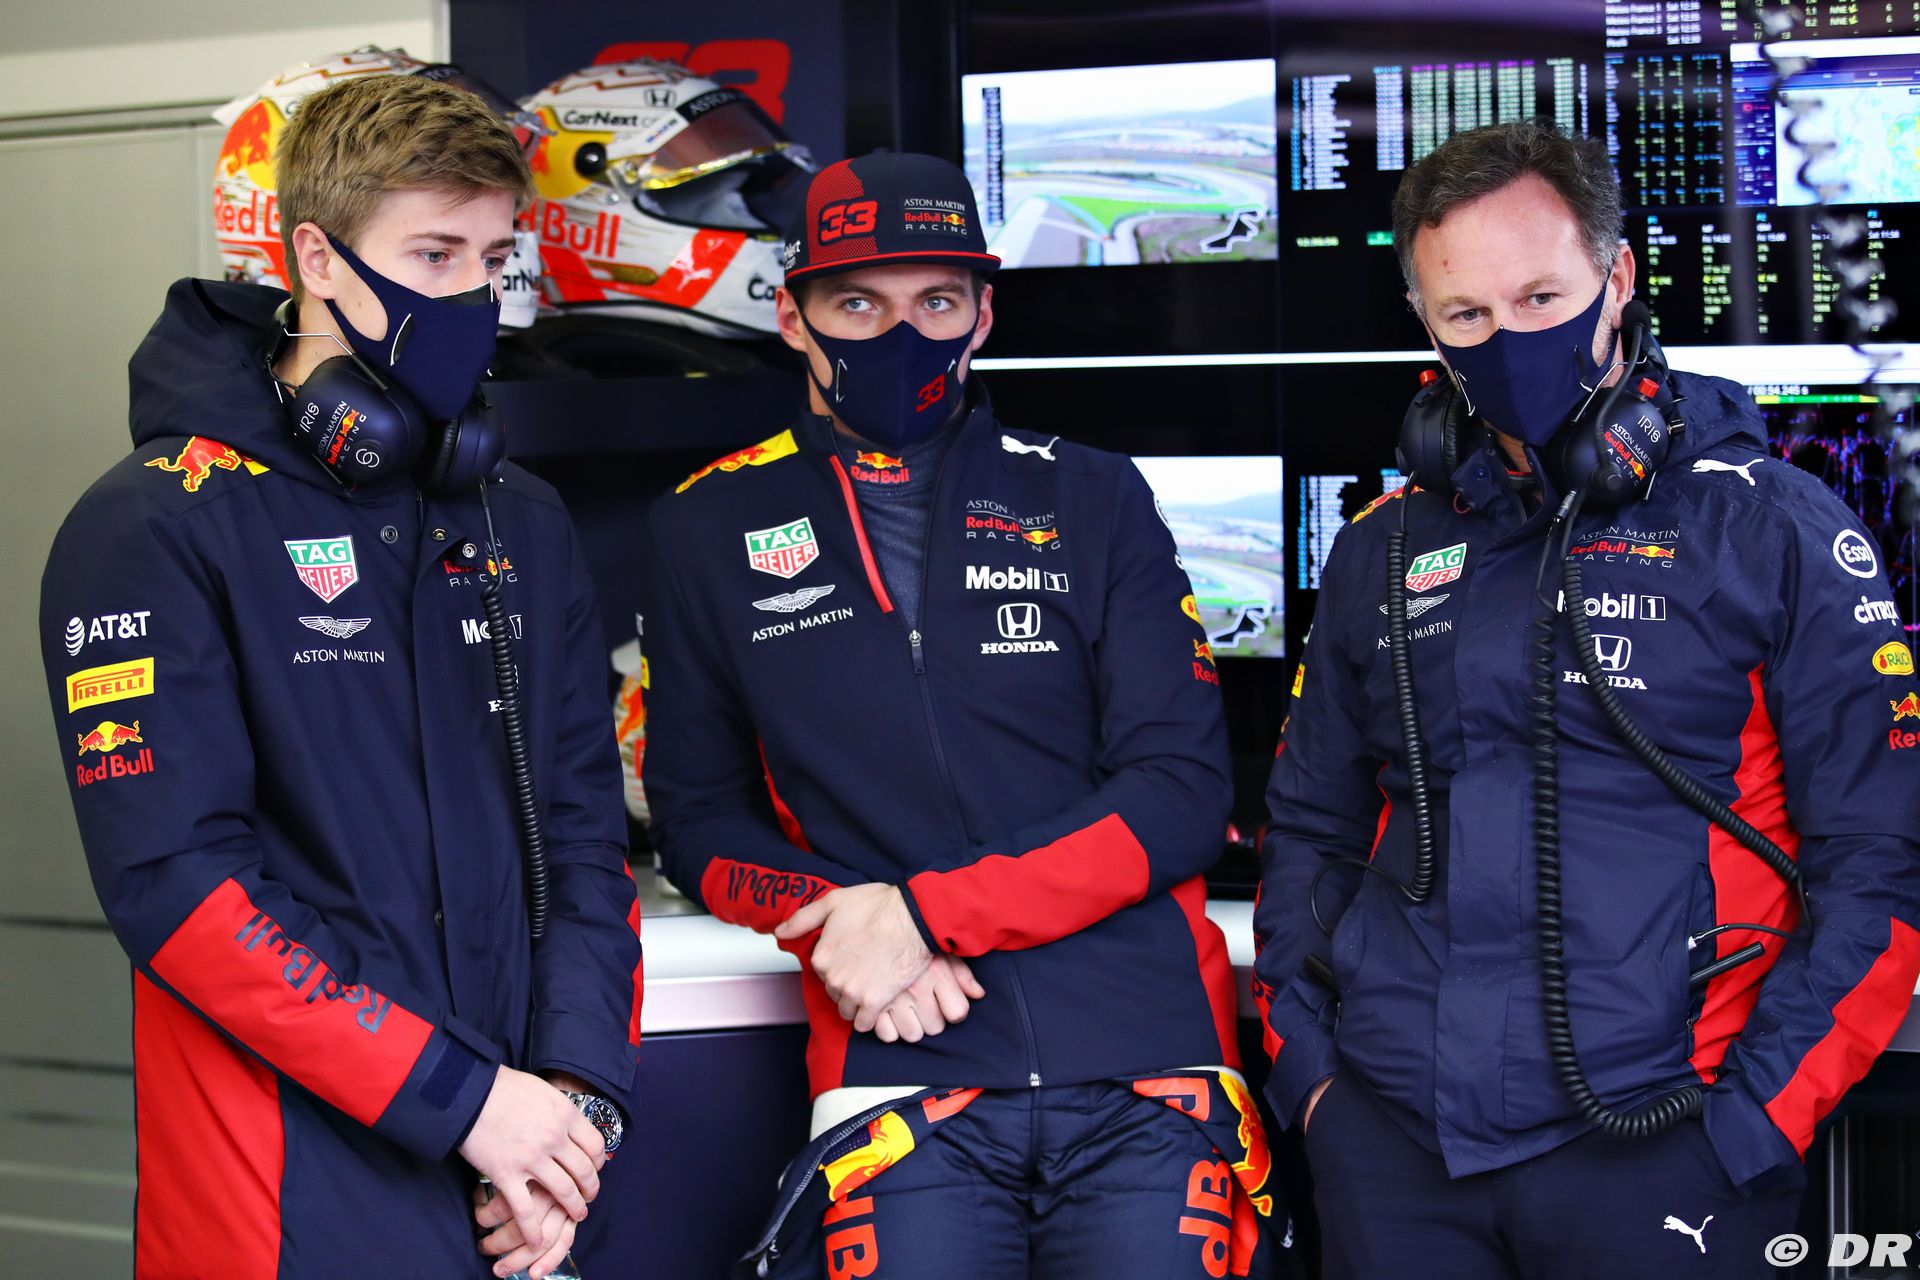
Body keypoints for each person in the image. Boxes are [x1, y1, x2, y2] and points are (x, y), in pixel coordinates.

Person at [1253, 119, 1920, 1278]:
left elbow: (1884, 862)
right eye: (1467, 315)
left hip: (1671, 1138)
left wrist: (1754, 1119)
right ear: (1424, 321)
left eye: (1540, 297)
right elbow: (1309, 830)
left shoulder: (1773, 529)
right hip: (1395, 1146)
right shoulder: (1380, 546)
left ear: (1616, 280)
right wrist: (1316, 1081)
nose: (1508, 339)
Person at [38, 72, 643, 1280]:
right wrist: (463, 1098)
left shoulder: (519, 516)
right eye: (432, 255)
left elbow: (586, 840)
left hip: (525, 1184)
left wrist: (573, 1110)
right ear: (316, 257)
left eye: (491, 258)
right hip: (284, 1197)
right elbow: (180, 888)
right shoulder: (156, 523)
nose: (469, 295)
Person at [643, 151, 1289, 1279]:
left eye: (936, 302)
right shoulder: (707, 523)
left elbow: (1182, 795)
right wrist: (843, 920)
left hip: (1147, 1064)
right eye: (860, 303)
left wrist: (927, 915)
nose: (903, 334)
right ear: (794, 317)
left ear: (983, 315)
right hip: (900, 1064)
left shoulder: (1092, 492)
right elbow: (700, 820)